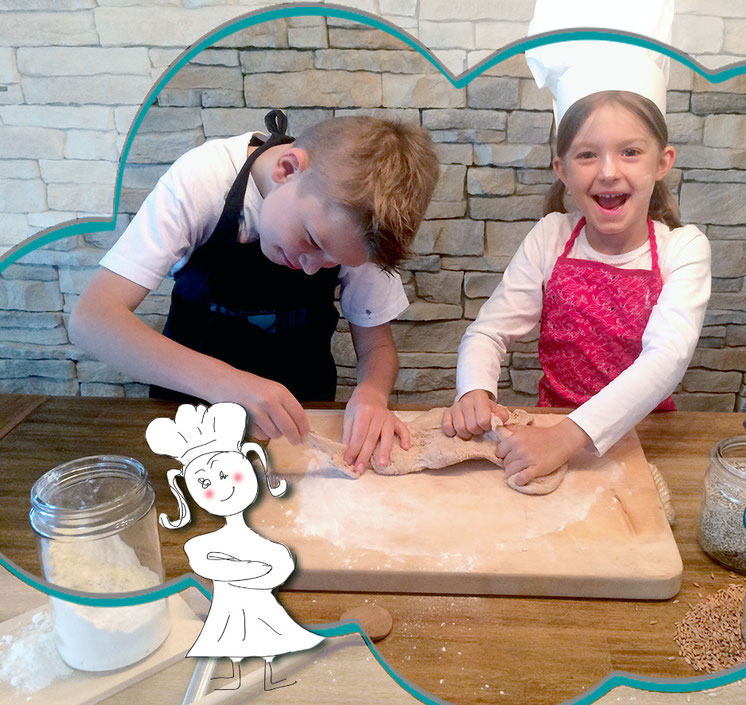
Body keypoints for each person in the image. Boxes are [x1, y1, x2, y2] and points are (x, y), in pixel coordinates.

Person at [70, 109, 439, 474]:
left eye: (332, 262)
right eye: (311, 241)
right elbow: (93, 319)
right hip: (188, 414)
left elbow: (376, 345)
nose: (312, 267)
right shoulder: (203, 180)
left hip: (301, 414)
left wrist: (373, 394)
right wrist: (226, 384)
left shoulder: (360, 230)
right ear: (288, 169)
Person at [443, 0, 710, 489]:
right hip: (548, 432)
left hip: (644, 438)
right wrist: (474, 391)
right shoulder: (550, 237)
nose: (609, 171)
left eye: (630, 151)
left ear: (662, 161)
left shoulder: (683, 249)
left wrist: (566, 438)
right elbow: (488, 333)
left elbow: (665, 359)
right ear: (562, 169)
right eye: (587, 155)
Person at [147, 402, 320, 691]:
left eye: (229, 475)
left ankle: (269, 675)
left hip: (305, 401)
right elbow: (205, 563)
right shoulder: (205, 542)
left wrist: (242, 569)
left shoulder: (264, 539)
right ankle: (232, 676)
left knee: (269, 640)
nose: (222, 487)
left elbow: (280, 568)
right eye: (205, 482)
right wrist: (255, 568)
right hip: (169, 398)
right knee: (232, 642)